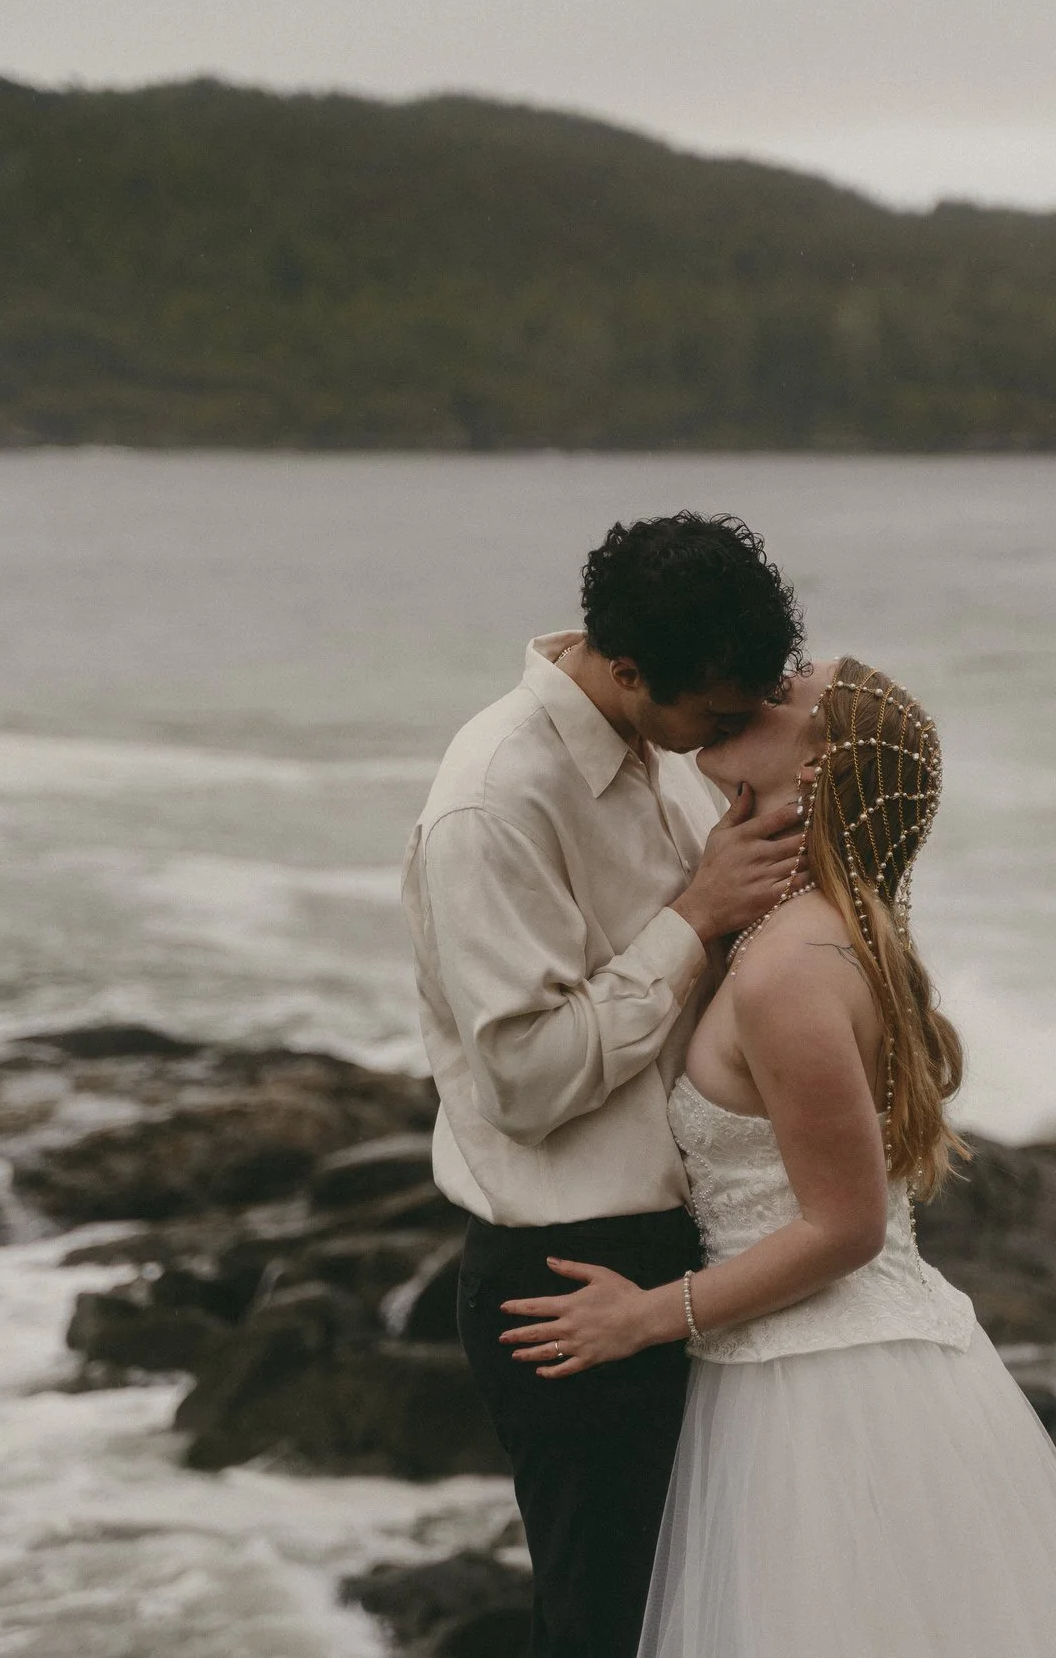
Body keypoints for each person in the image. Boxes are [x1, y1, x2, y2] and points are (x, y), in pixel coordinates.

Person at [496, 656, 1056, 1658]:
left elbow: (843, 1226)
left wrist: (642, 1314)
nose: (745, 692)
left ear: (818, 770)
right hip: (820, 1364)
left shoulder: (791, 968)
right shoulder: (807, 932)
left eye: (777, 697)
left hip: (823, 1393)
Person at [402, 512, 810, 1658]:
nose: (722, 735)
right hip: (568, 1269)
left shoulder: (658, 752)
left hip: (682, 1250)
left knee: (697, 1617)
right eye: (715, 715)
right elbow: (525, 1077)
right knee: (609, 1626)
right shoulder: (495, 800)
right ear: (625, 669)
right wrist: (698, 913)